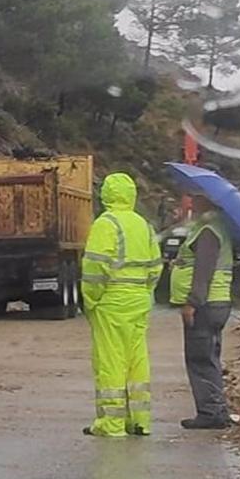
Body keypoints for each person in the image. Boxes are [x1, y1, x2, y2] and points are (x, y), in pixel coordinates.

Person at [81, 173, 162, 438]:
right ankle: (140, 420)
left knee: (111, 360)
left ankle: (112, 423)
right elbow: (155, 266)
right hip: (139, 299)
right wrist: (144, 291)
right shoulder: (143, 225)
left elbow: (95, 266)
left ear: (106, 194)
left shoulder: (106, 224)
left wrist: (91, 299)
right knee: (137, 359)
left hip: (112, 301)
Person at [169, 194, 235, 429]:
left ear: (208, 200)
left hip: (206, 305)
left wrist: (192, 303)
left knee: (200, 359)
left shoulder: (208, 230)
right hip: (217, 302)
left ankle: (210, 413)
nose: (191, 202)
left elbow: (203, 271)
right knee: (209, 357)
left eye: (196, 197)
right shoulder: (215, 226)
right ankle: (217, 409)